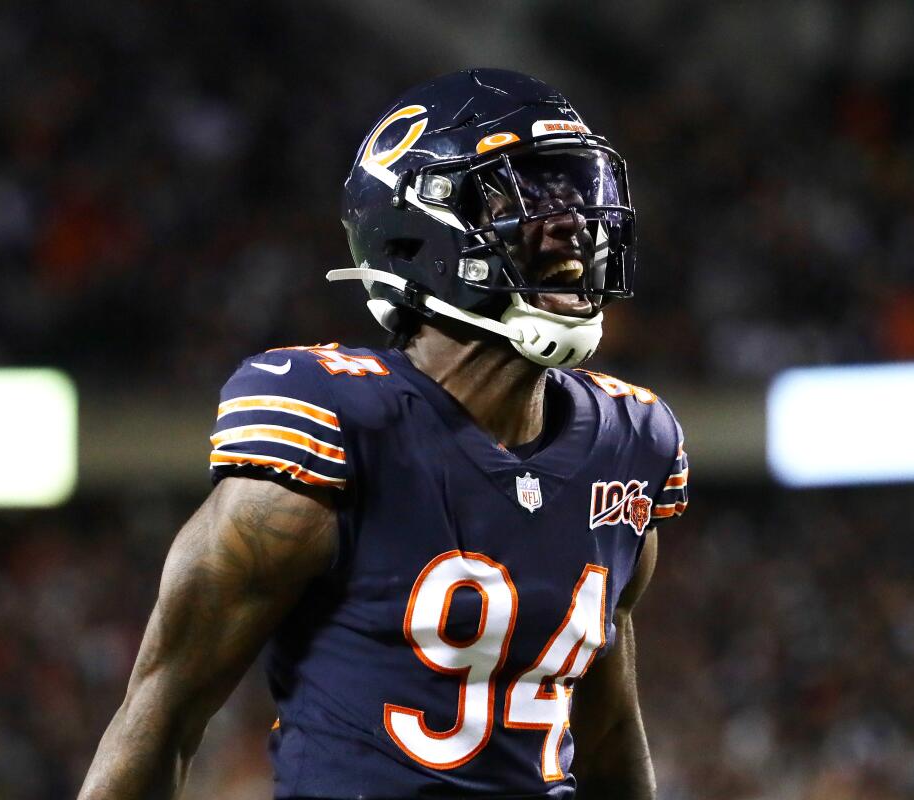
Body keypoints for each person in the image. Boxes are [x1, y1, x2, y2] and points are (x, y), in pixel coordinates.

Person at [78, 68, 689, 800]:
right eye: (524, 192)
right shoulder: (335, 424)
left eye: (576, 190)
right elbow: (162, 711)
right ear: (414, 229)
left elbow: (611, 732)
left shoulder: (629, 445)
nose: (572, 221)